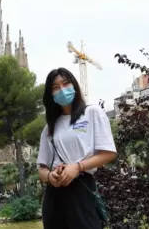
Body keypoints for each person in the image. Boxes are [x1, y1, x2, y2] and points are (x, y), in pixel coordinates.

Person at [37, 67, 117, 229]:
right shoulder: (49, 128)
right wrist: (50, 176)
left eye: (66, 84)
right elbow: (42, 169)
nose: (62, 90)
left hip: (82, 190)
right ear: (50, 94)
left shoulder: (92, 113)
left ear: (74, 85)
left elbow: (109, 153)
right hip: (54, 195)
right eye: (55, 87)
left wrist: (77, 166)